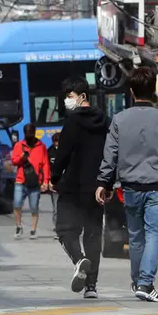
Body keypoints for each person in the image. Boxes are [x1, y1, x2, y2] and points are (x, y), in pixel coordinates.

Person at [96, 66, 158, 302]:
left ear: (131, 91)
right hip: (157, 185)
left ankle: (138, 281)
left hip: (130, 186)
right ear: (155, 89)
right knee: (154, 233)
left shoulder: (120, 119)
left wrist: (103, 183)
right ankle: (146, 283)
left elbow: (110, 154)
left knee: (135, 236)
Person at [51, 76, 109, 298]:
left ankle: (79, 260)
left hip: (73, 186)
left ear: (82, 96)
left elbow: (62, 154)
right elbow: (110, 154)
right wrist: (107, 183)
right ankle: (91, 287)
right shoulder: (105, 121)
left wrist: (55, 178)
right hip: (97, 188)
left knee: (65, 230)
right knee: (93, 235)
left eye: (70, 96)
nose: (67, 100)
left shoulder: (72, 122)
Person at [10, 122, 50, 239]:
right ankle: (19, 226)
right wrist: (21, 157)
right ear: (25, 134)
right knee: (17, 204)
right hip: (20, 180)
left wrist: (46, 181)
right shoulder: (19, 145)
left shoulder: (41, 146)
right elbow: (14, 161)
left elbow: (45, 165)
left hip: (35, 181)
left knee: (34, 207)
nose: (29, 136)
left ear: (34, 133)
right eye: (27, 134)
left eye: (31, 133)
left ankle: (33, 230)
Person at [48, 131, 60, 234]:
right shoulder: (50, 151)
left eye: (58, 142)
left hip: (66, 183)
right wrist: (48, 181)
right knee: (56, 208)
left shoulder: (67, 151)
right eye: (55, 142)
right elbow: (47, 167)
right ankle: (57, 228)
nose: (56, 144)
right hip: (54, 183)